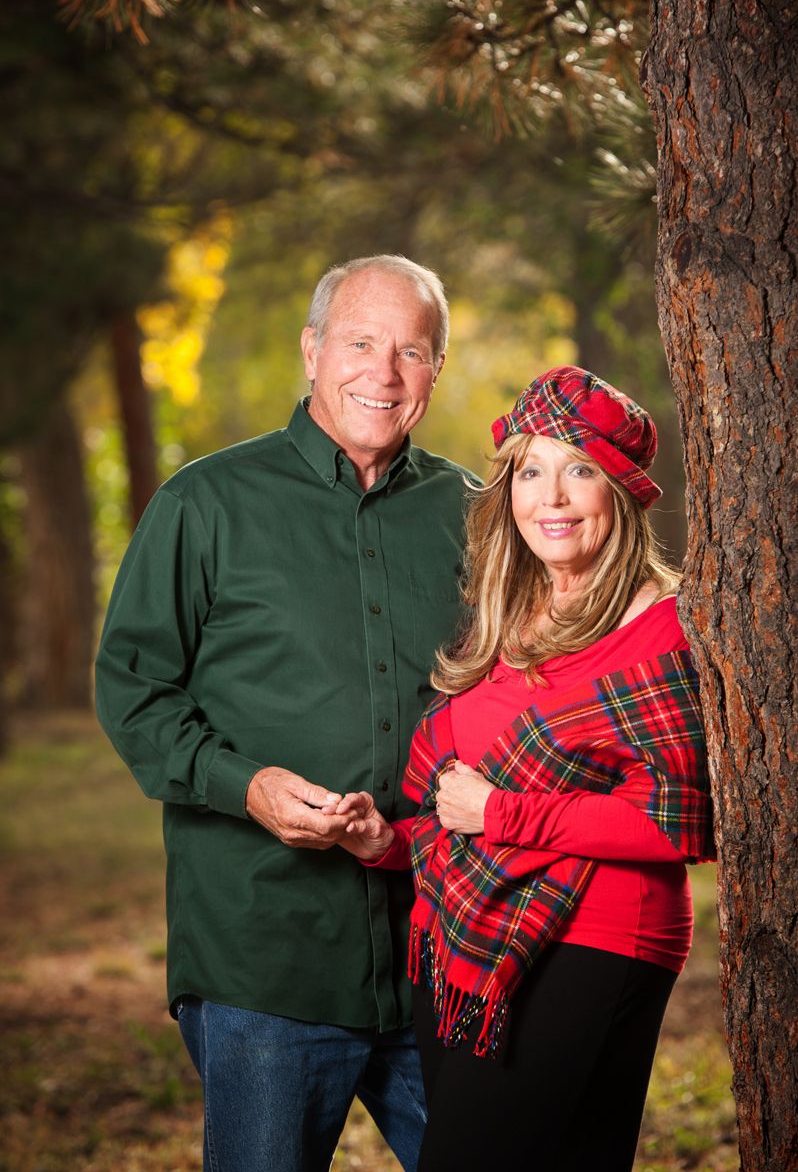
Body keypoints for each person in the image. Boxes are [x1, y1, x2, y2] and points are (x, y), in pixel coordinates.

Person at [94, 254, 478, 1172]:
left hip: (441, 956)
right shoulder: (205, 503)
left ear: (435, 371)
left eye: (411, 352)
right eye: (358, 343)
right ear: (311, 352)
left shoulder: (474, 514)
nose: (382, 375)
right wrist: (248, 784)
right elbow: (135, 691)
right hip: (263, 961)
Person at [333, 365, 715, 1171]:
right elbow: (454, 802)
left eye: (581, 469)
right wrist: (390, 843)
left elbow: (674, 819)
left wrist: (501, 814)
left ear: (623, 489)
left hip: (599, 938)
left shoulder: (662, 627)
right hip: (461, 935)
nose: (553, 497)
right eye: (531, 471)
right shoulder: (505, 617)